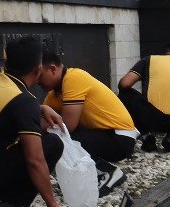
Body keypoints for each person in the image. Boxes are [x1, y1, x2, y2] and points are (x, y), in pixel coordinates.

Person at [0, 36, 71, 207]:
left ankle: (2, 203)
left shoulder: (0, 83)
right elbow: (35, 160)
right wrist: (53, 205)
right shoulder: (23, 101)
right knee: (51, 144)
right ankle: (5, 206)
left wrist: (39, 108)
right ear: (38, 69)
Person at [36, 45, 134, 195]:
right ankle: (91, 174)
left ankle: (108, 172)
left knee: (60, 135)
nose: (36, 81)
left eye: (39, 75)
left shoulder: (74, 78)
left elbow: (68, 126)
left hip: (120, 138)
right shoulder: (54, 95)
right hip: (104, 135)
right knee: (54, 135)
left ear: (52, 69)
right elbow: (40, 123)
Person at [118, 41, 170, 152]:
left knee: (125, 94)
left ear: (164, 54)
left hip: (150, 119)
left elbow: (124, 84)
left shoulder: (148, 60)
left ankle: (147, 136)